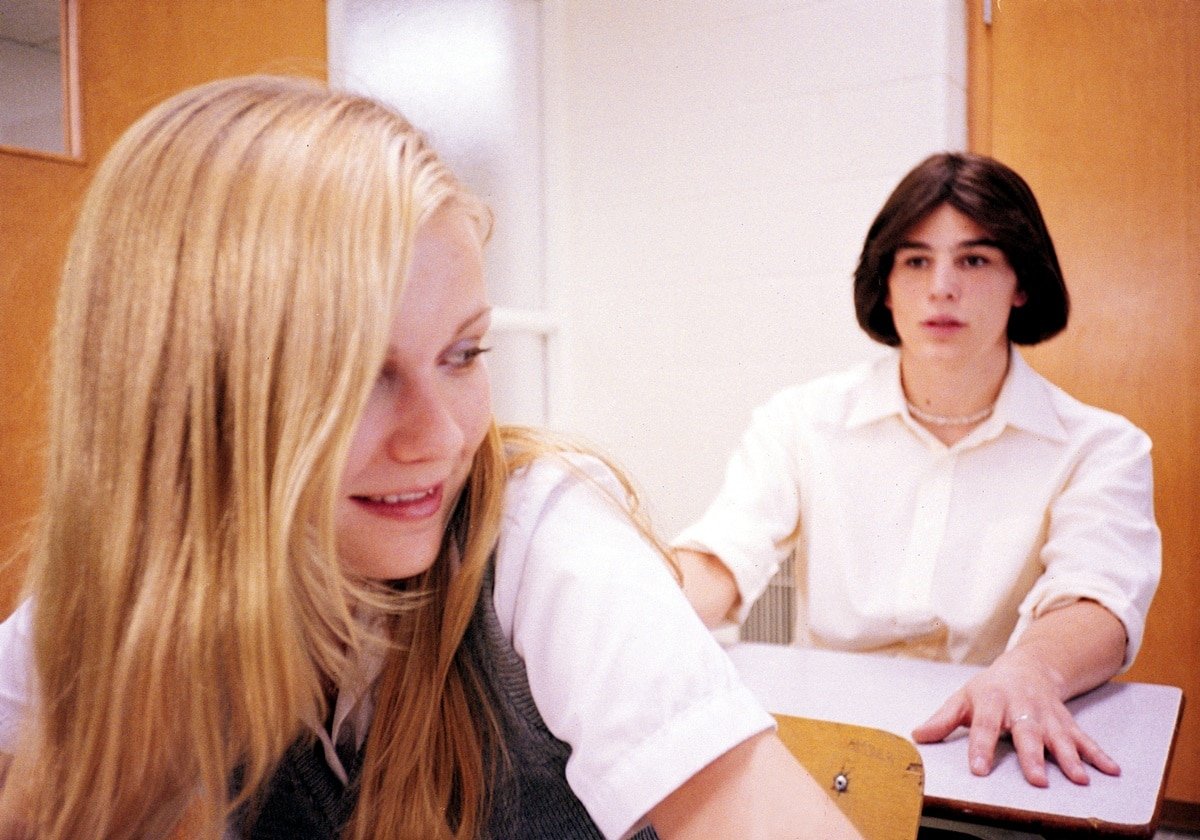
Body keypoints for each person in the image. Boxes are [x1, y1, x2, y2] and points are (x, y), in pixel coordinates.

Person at [0, 76, 862, 840]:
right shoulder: (126, 586)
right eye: (359, 376)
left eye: (463, 355)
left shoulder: (540, 537)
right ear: (192, 402)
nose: (442, 438)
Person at [674, 152, 1161, 789]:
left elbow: (1098, 596)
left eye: (975, 260)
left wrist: (1031, 670)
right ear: (886, 283)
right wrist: (636, 610)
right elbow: (723, 552)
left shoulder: (1101, 446)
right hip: (829, 754)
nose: (941, 288)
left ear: (1021, 283)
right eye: (916, 261)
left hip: (996, 750)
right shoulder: (800, 419)